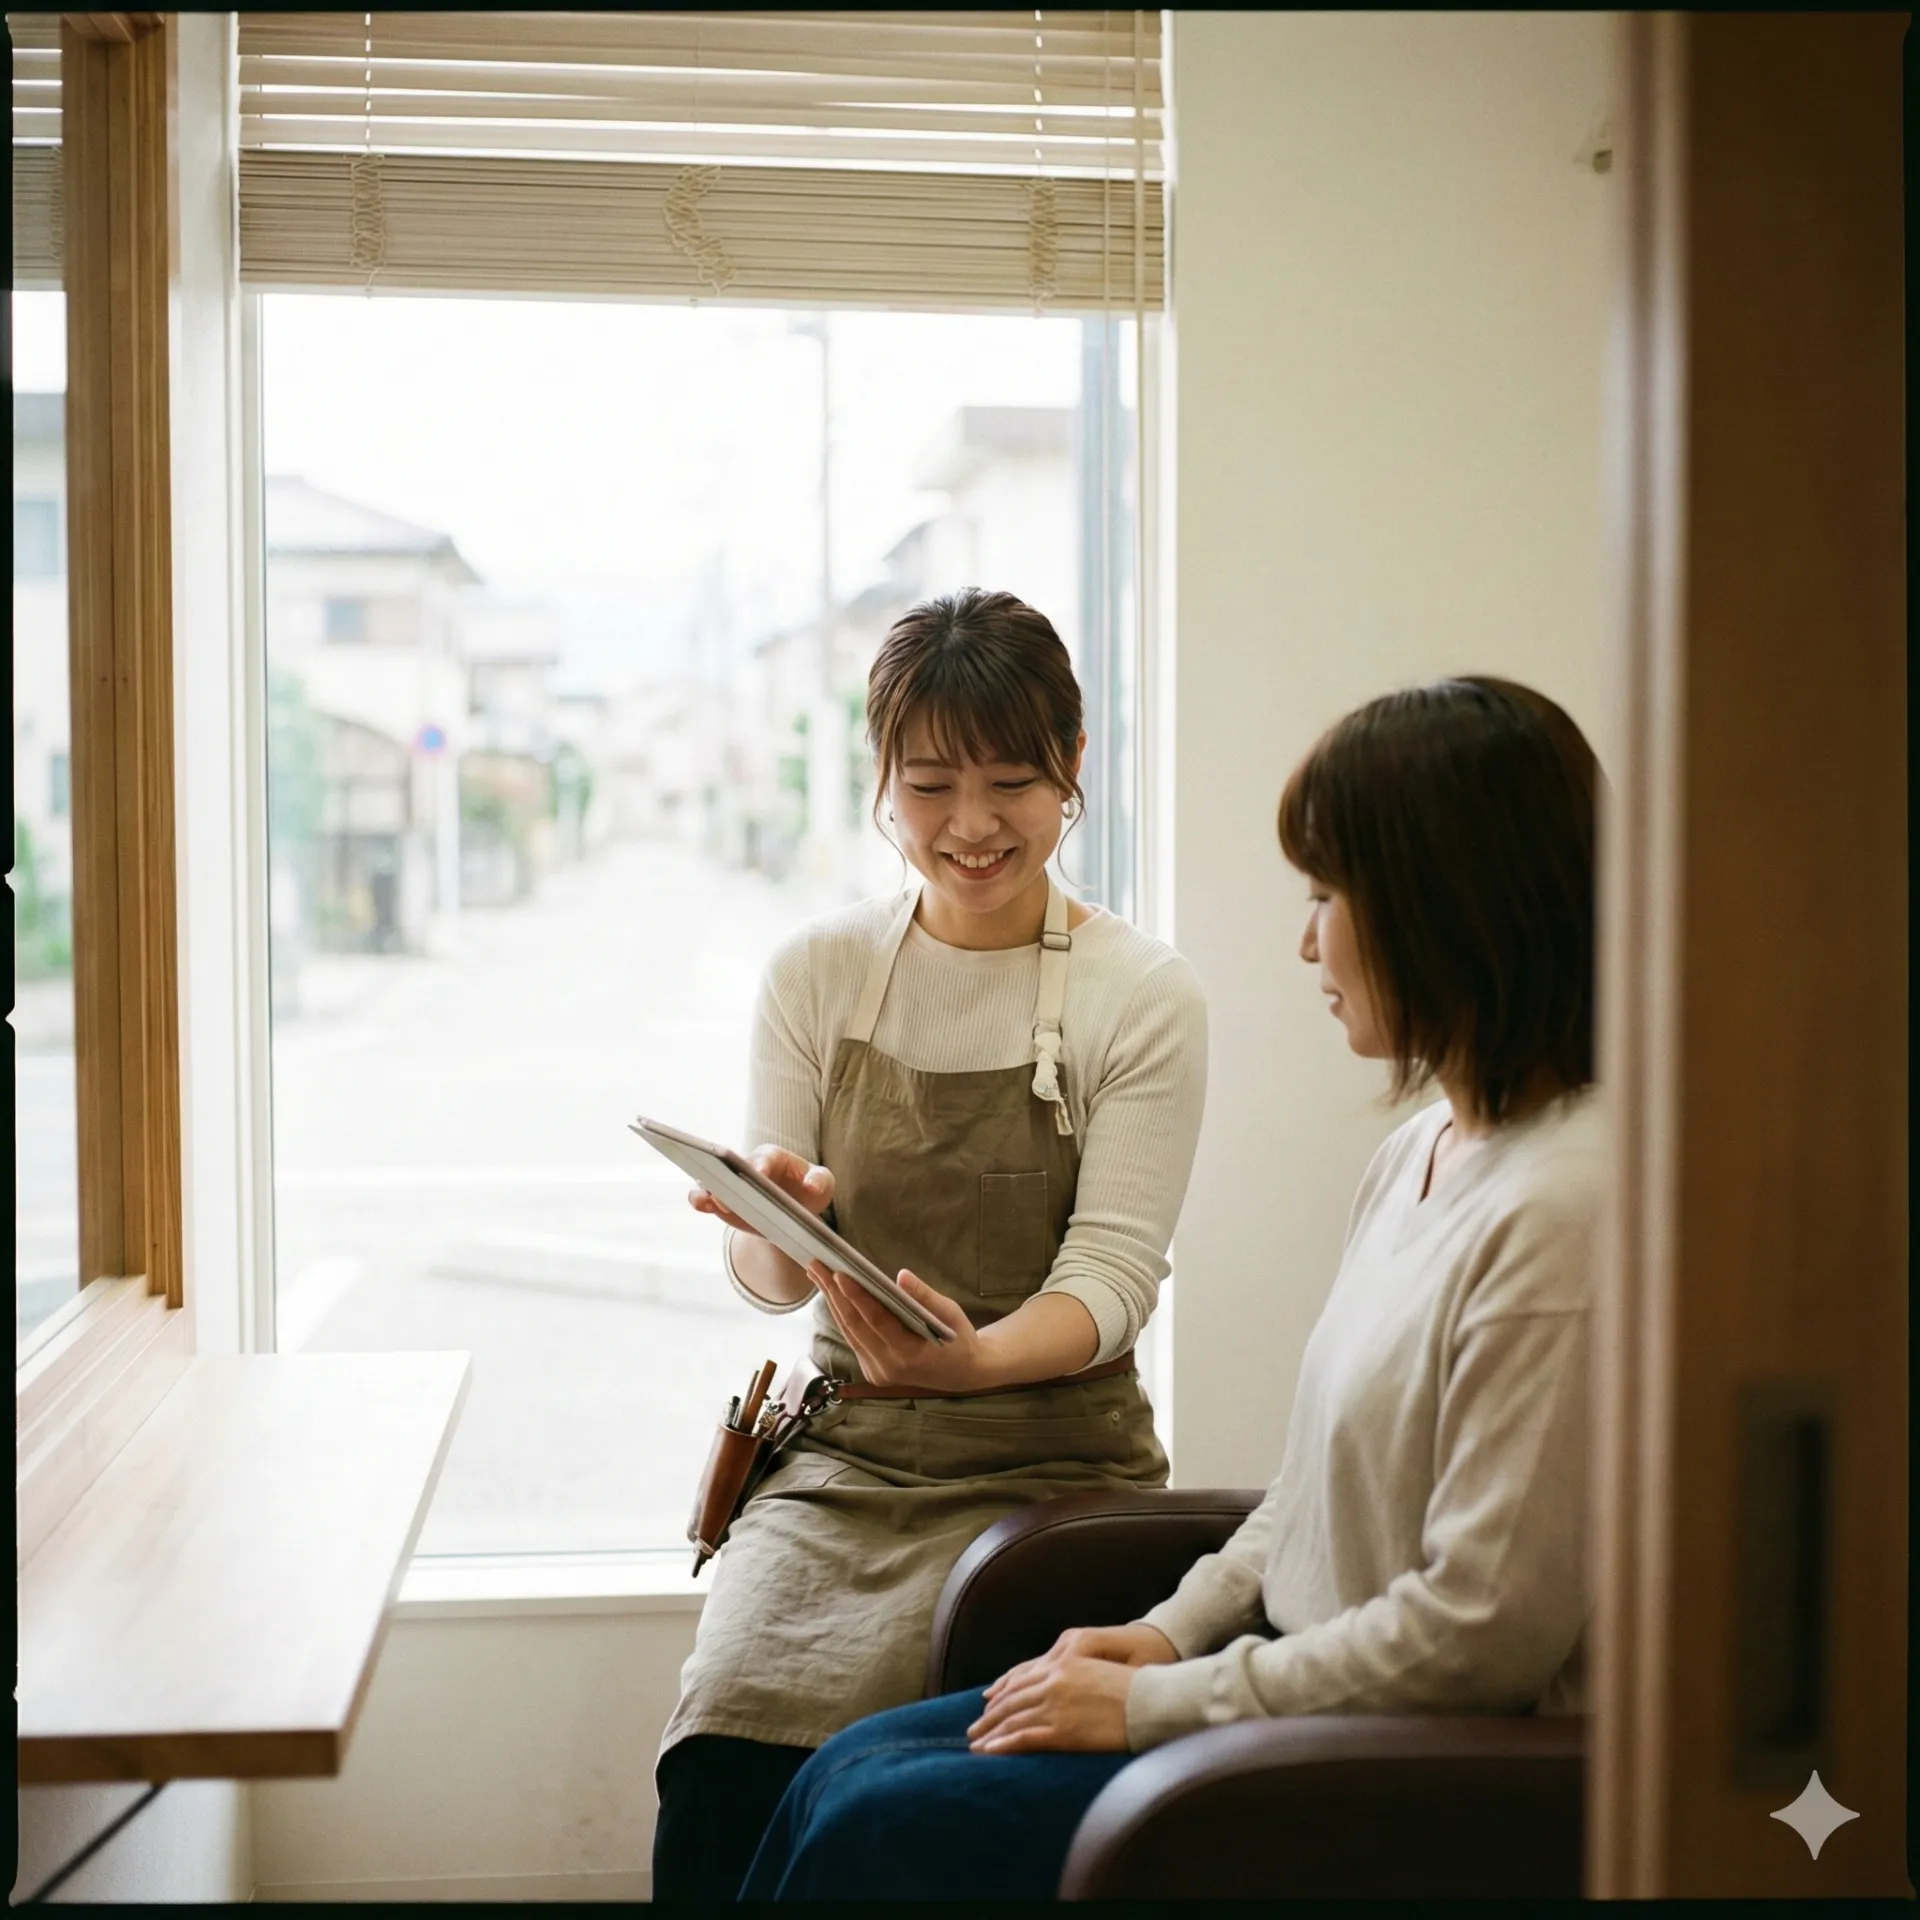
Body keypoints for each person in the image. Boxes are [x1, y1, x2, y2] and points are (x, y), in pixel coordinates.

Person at [738, 674, 1605, 1902]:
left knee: (882, 1826)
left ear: (1443, 910)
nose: (1307, 940)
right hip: (1283, 1677)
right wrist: (1165, 1631)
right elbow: (1307, 1498)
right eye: (930, 786)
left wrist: (1156, 1701)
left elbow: (1476, 1639)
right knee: (843, 1772)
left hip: (1382, 1751)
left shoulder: (1563, 1210)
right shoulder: (1420, 1153)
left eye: (1327, 896)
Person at [650, 589, 1210, 1901]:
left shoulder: (1141, 994)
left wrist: (973, 1366)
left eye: (1014, 780)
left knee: (931, 1824)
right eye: (931, 783)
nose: (972, 825)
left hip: (1061, 1473)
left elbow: (1113, 1282)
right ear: (881, 783)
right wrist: (773, 1223)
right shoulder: (816, 975)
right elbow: (766, 1284)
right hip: (843, 1467)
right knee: (720, 1766)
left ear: (1074, 768)